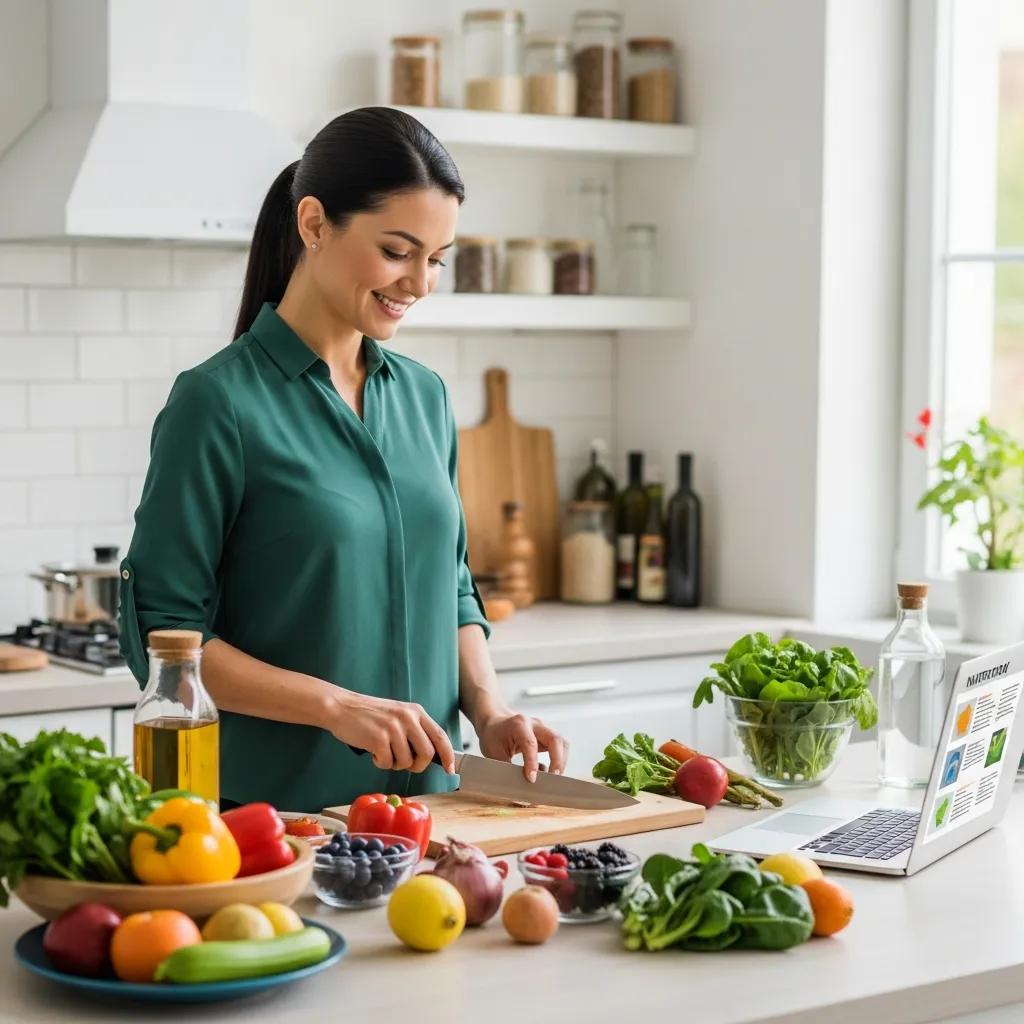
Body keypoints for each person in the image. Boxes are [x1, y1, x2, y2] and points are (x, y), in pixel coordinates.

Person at [119, 107, 568, 810]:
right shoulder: (216, 403)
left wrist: (490, 710)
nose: (419, 283)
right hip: (275, 821)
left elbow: (450, 587)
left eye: (437, 259)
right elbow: (164, 639)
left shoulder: (425, 397)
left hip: (429, 812)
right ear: (314, 224)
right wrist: (337, 707)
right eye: (397, 251)